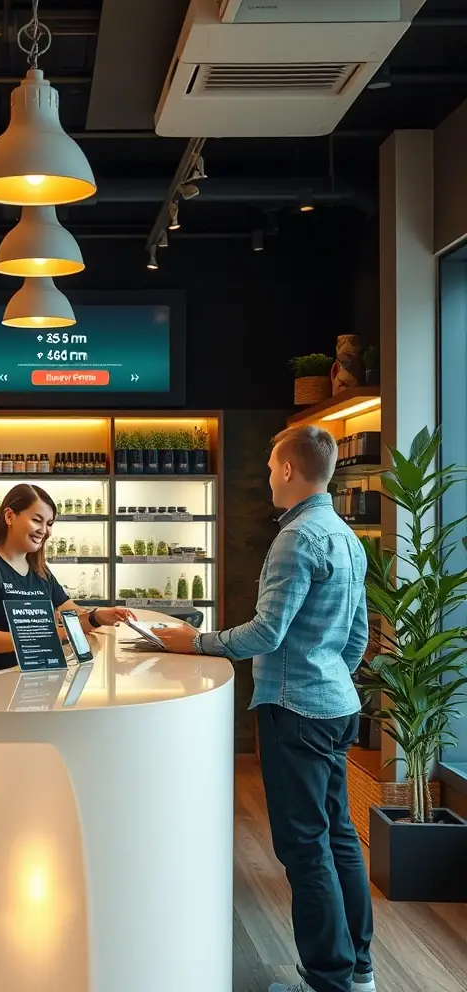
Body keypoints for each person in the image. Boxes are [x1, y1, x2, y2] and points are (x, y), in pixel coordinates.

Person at [153, 425, 374, 992]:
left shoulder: (296, 538)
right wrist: (330, 677)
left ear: (289, 470)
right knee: (338, 835)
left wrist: (195, 642)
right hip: (336, 706)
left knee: (304, 846)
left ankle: (327, 979)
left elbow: (267, 632)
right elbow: (357, 635)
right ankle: (359, 971)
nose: (267, 477)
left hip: (294, 709)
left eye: (271, 467)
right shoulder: (346, 537)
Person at [0, 482, 132, 674]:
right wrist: (48, 637)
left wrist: (98, 616)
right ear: (9, 516)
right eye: (37, 520)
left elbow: (72, 616)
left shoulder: (40, 571)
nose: (44, 530)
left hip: (24, 674)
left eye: (49, 524)